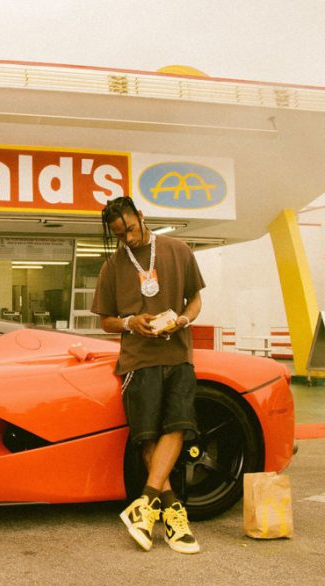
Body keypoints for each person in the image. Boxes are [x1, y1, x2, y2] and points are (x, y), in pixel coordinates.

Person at [91, 196, 205, 555]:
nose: (129, 237)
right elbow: (106, 320)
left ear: (141, 216)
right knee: (146, 435)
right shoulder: (112, 266)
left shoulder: (178, 250)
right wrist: (129, 322)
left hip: (178, 353)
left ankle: (145, 503)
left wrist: (182, 320)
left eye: (131, 228)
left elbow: (196, 301)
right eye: (120, 234)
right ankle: (171, 512)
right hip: (137, 359)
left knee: (178, 425)